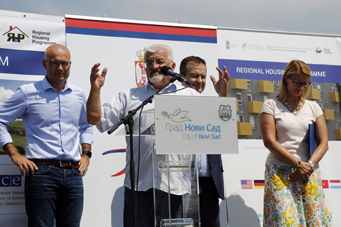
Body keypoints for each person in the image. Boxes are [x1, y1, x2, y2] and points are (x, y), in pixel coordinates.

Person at [87, 44, 203, 227]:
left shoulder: (190, 95)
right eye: (149, 62)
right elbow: (96, 119)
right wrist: (95, 89)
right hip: (139, 186)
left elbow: (211, 129)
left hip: (176, 186)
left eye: (159, 61)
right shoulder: (129, 97)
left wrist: (223, 95)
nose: (154, 66)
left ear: (172, 67)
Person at [0, 44, 93, 227]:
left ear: (70, 65)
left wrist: (86, 154)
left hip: (74, 173)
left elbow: (86, 125)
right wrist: (15, 155)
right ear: (44, 64)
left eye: (65, 64)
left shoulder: (78, 94)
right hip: (41, 173)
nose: (60, 68)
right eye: (54, 63)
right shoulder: (27, 92)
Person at [259, 60, 331, 226]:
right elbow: (269, 141)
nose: (301, 87)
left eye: (305, 83)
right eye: (297, 82)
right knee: (285, 222)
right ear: (286, 78)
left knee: (314, 222)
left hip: (308, 172)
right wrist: (297, 163)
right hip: (279, 173)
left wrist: (308, 165)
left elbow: (324, 143)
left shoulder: (314, 107)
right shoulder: (270, 105)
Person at [179, 56, 229, 227]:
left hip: (209, 183)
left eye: (203, 76)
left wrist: (223, 96)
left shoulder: (212, 106)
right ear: (181, 76)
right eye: (194, 76)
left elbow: (228, 130)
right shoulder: (173, 106)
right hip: (182, 182)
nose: (199, 81)